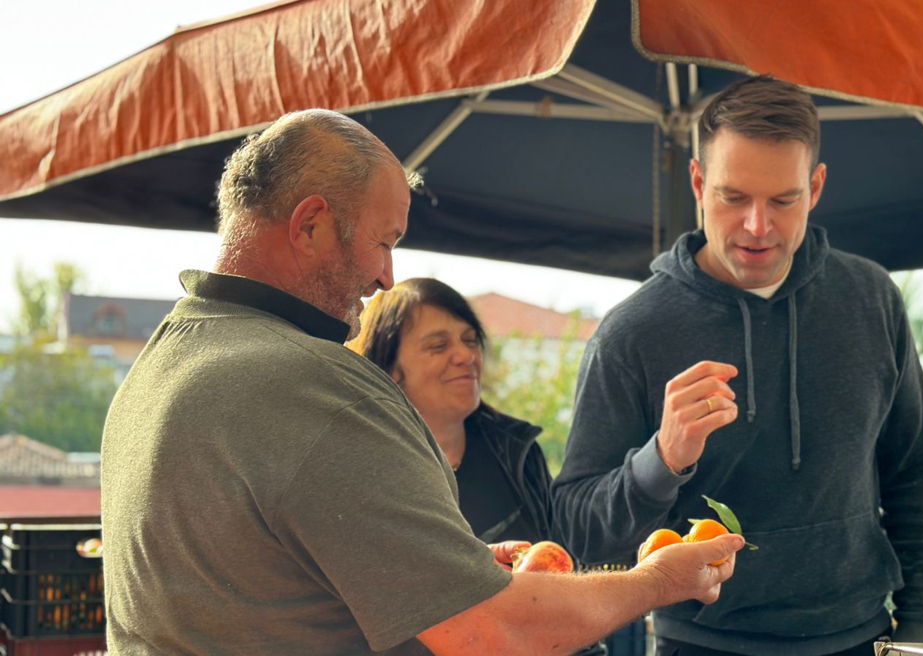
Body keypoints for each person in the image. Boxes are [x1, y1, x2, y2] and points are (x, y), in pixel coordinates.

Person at [100, 108, 744, 656]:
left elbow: (269, 578)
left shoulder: (158, 365)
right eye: (384, 242)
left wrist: (449, 570)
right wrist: (660, 581)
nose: (386, 277)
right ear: (310, 224)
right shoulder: (314, 385)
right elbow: (494, 633)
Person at [551, 76, 923, 656]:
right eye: (733, 197)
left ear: (815, 187)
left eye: (783, 200)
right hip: (699, 644)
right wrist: (661, 461)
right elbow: (576, 531)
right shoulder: (631, 331)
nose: (758, 226)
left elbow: (915, 479)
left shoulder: (872, 298)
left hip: (864, 638)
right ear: (698, 183)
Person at [348, 279, 606, 656]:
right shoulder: (364, 468)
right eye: (438, 345)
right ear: (389, 368)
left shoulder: (518, 450)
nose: (464, 355)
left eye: (470, 340)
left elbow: (563, 578)